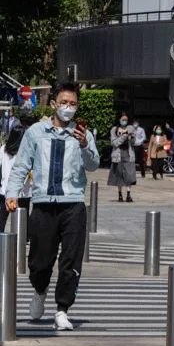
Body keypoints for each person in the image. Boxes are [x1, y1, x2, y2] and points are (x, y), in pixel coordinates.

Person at [4, 84, 100, 331]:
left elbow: (92, 165)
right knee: (39, 261)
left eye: (73, 104)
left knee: (71, 260)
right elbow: (21, 165)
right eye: (64, 102)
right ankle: (39, 290)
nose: (69, 107)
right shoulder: (36, 132)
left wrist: (84, 146)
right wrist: (12, 193)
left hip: (73, 205)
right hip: (44, 205)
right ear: (55, 103)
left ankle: (62, 309)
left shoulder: (83, 135)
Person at [0, 123, 31, 230]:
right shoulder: (26, 152)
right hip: (23, 191)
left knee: (2, 217)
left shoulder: (3, 149)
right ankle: (23, 240)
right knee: (23, 219)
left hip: (5, 189)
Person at [109, 116, 137, 202]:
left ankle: (128, 194)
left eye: (126, 120)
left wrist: (131, 137)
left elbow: (133, 142)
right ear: (119, 120)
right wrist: (124, 136)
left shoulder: (130, 128)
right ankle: (120, 194)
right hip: (118, 154)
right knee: (119, 175)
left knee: (129, 174)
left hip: (128, 154)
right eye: (123, 119)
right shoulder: (114, 129)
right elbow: (114, 143)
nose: (124, 121)